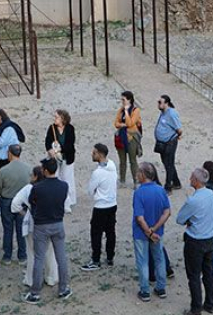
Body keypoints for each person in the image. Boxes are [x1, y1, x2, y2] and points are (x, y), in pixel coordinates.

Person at [22, 158, 72, 305]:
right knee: (61, 257)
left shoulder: (37, 188)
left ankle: (35, 292)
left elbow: (32, 202)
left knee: (39, 258)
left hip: (41, 225)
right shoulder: (63, 186)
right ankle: (63, 288)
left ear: (44, 171)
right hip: (57, 224)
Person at [175, 168, 213, 315]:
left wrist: (190, 221)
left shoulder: (193, 200)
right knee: (208, 273)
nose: (190, 179)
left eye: (192, 177)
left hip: (195, 241)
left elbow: (180, 219)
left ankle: (196, 309)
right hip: (209, 239)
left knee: (193, 275)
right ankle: (211, 304)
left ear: (197, 182)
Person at [12, 166, 60, 291]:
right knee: (49, 252)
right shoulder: (51, 187)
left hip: (33, 224)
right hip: (50, 221)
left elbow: (15, 204)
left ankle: (31, 279)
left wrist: (25, 213)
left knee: (32, 253)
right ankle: (51, 277)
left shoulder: (29, 189)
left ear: (35, 176)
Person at [132, 162, 171, 302]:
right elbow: (167, 212)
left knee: (143, 262)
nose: (136, 175)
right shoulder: (161, 190)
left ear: (143, 175)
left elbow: (139, 218)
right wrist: (155, 229)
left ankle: (145, 290)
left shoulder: (139, 193)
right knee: (159, 259)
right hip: (157, 232)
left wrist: (148, 232)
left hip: (141, 234)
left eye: (138, 173)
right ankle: (161, 288)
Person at [82, 143, 118, 271]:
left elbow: (90, 191)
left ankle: (96, 260)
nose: (92, 154)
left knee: (96, 234)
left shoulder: (97, 173)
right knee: (110, 232)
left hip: (100, 206)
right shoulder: (112, 166)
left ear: (100, 154)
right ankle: (110, 257)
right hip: (112, 204)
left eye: (94, 153)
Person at [0, 144, 30, 265]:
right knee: (21, 229)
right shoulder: (28, 168)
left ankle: (7, 256)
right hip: (22, 202)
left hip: (7, 200)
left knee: (8, 229)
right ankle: (22, 255)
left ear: (10, 153)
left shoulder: (4, 170)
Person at [45, 109, 77, 213]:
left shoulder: (70, 128)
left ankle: (67, 203)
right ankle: (56, 201)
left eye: (57, 117)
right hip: (55, 158)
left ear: (62, 118)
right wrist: (50, 150)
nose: (55, 119)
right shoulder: (52, 128)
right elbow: (47, 141)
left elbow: (70, 144)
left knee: (67, 179)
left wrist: (59, 149)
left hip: (67, 157)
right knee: (56, 178)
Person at [113, 91, 143, 187]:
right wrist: (123, 124)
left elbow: (130, 123)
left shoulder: (135, 110)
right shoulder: (120, 110)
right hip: (121, 137)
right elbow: (116, 123)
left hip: (131, 138)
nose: (122, 101)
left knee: (133, 160)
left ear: (129, 99)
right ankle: (122, 180)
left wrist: (126, 112)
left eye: (123, 99)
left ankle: (136, 181)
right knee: (122, 161)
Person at [154, 95, 183, 192]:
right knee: (167, 163)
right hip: (162, 143)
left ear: (166, 103)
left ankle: (168, 187)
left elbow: (179, 129)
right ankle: (176, 183)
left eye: (160, 102)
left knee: (169, 164)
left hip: (170, 142)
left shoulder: (172, 113)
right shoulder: (163, 112)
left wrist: (177, 136)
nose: (158, 104)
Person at [0, 108, 23, 177]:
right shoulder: (1, 128)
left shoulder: (8, 128)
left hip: (5, 161)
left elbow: (0, 143)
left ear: (0, 117)